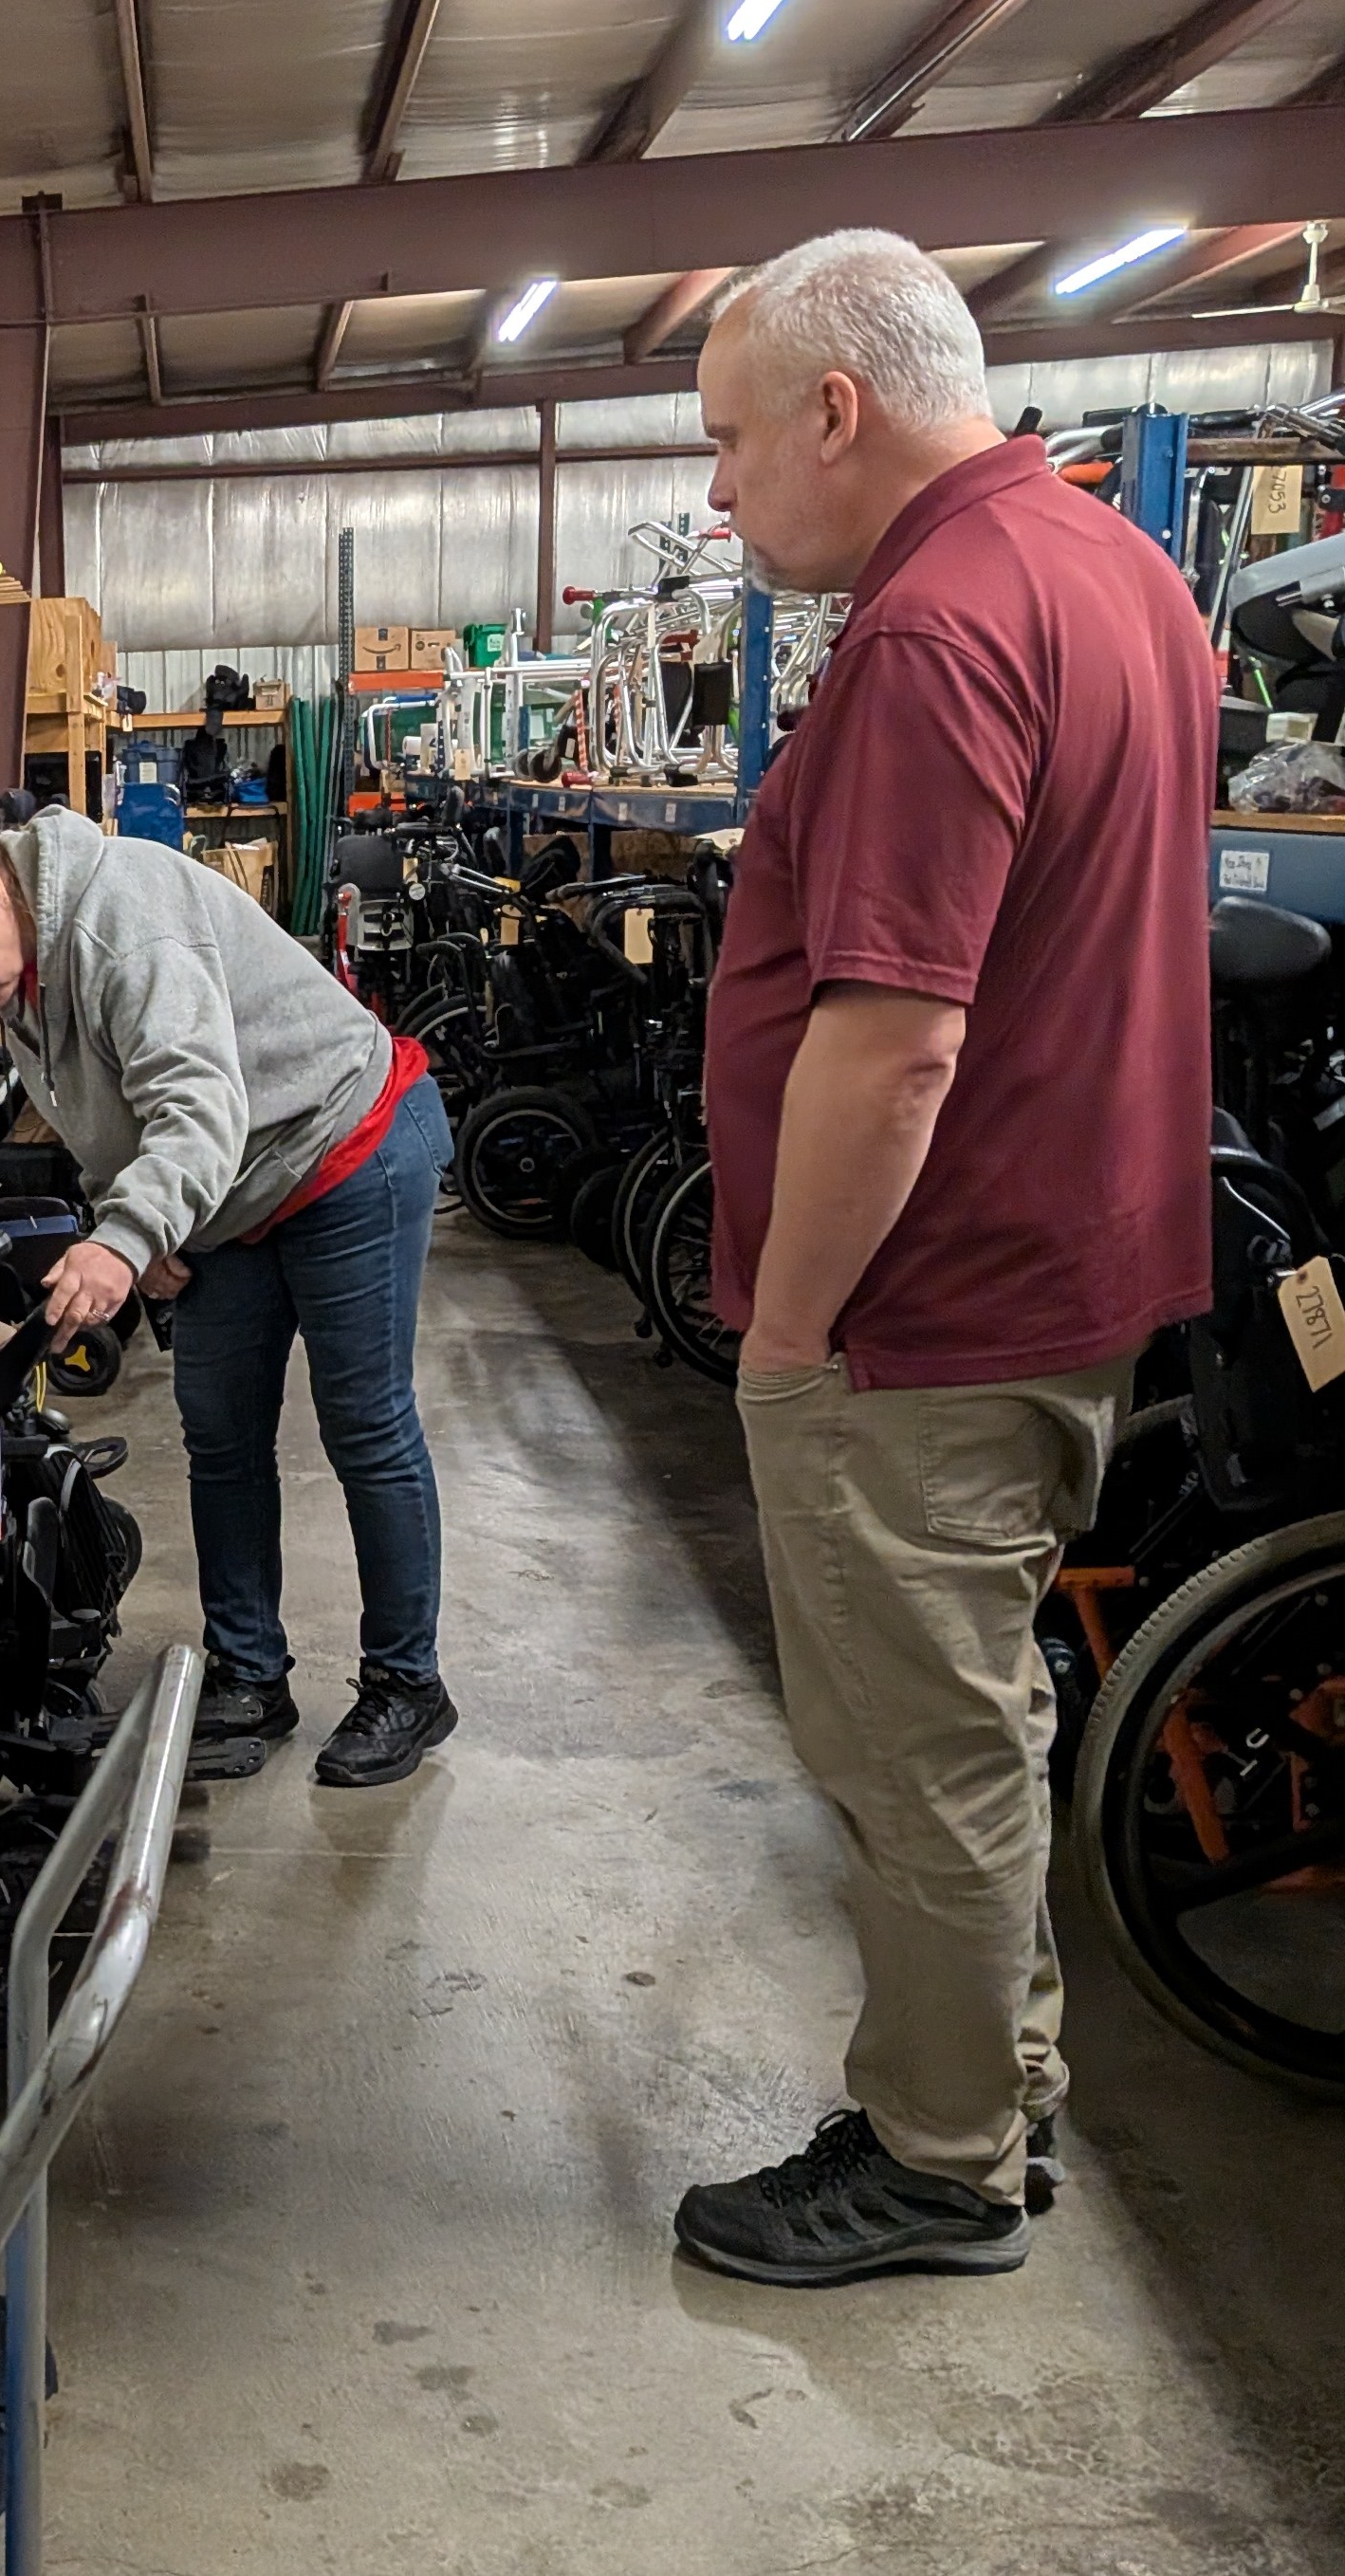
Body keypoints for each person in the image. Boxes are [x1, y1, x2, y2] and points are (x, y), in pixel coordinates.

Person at [671, 231, 1214, 2286]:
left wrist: (793, 1320)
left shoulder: (932, 627)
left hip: (923, 1313)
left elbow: (896, 1040)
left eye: (731, 442)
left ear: (838, 407)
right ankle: (992, 2089)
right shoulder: (1115, 574)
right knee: (970, 1724)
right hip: (1062, 1273)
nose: (721, 494)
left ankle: (936, 2157)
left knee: (919, 1752)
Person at [0, 783, 460, 1789]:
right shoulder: (20, 983)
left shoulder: (117, 923)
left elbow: (196, 1099)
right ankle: (251, 1676)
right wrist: (137, 1224)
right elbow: (99, 1114)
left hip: (344, 1143)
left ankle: (407, 1683)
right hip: (233, 1191)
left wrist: (126, 1239)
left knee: (365, 1425)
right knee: (218, 1434)